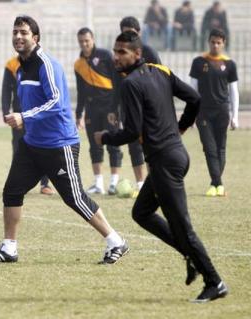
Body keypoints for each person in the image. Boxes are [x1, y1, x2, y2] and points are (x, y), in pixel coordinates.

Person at [0, 15, 128, 264]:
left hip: (59, 144)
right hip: (32, 144)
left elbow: (57, 103)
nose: (18, 36)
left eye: (24, 32)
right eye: (15, 32)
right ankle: (9, 248)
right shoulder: (20, 65)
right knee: (12, 191)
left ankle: (116, 241)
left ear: (35, 38)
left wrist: (24, 116)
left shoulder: (46, 64)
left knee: (75, 198)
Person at [94, 31, 227, 303]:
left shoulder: (131, 83)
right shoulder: (161, 71)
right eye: (115, 51)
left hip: (166, 162)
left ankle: (215, 282)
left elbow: (131, 131)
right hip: (173, 156)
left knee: (183, 228)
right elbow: (195, 99)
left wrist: (105, 137)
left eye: (122, 52)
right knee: (141, 212)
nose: (117, 56)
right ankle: (190, 255)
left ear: (137, 54)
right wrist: (180, 128)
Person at [189, 29, 239, 197]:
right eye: (213, 42)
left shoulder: (229, 64)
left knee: (220, 149)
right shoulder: (198, 62)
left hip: (222, 111)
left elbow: (234, 91)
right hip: (203, 112)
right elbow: (192, 90)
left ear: (223, 43)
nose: (215, 45)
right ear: (208, 42)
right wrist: (191, 115)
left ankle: (215, 183)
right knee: (209, 149)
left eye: (219, 42)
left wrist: (235, 116)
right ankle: (218, 183)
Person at [74, 27, 122, 195]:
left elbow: (117, 80)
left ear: (92, 39)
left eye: (87, 40)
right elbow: (80, 92)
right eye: (81, 41)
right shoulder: (78, 64)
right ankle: (98, 183)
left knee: (113, 144)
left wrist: (117, 108)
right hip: (91, 110)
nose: (84, 44)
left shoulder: (105, 56)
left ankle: (114, 182)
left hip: (110, 107)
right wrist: (78, 114)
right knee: (95, 146)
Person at [118, 16, 161, 196]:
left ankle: (156, 183)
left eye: (131, 33)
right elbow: (116, 83)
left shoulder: (149, 52)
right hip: (128, 107)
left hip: (148, 107)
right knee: (133, 145)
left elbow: (160, 78)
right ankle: (141, 184)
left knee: (152, 146)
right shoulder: (119, 55)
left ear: (139, 33)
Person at [1, 55, 54, 195]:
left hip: (36, 115)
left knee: (42, 149)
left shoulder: (41, 64)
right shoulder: (11, 64)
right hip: (18, 116)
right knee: (18, 149)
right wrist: (5, 112)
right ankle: (19, 183)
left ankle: (45, 184)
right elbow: (6, 89)